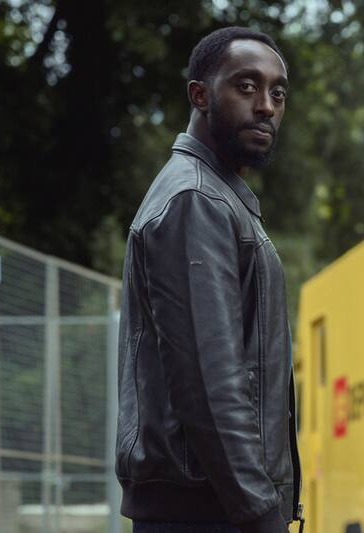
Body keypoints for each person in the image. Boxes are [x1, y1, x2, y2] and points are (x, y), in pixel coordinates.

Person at [115, 27, 302, 533]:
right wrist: (261, 514)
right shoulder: (195, 200)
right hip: (204, 512)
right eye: (247, 86)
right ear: (200, 95)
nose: (266, 106)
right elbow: (209, 380)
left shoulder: (217, 198)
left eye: (278, 93)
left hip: (213, 507)